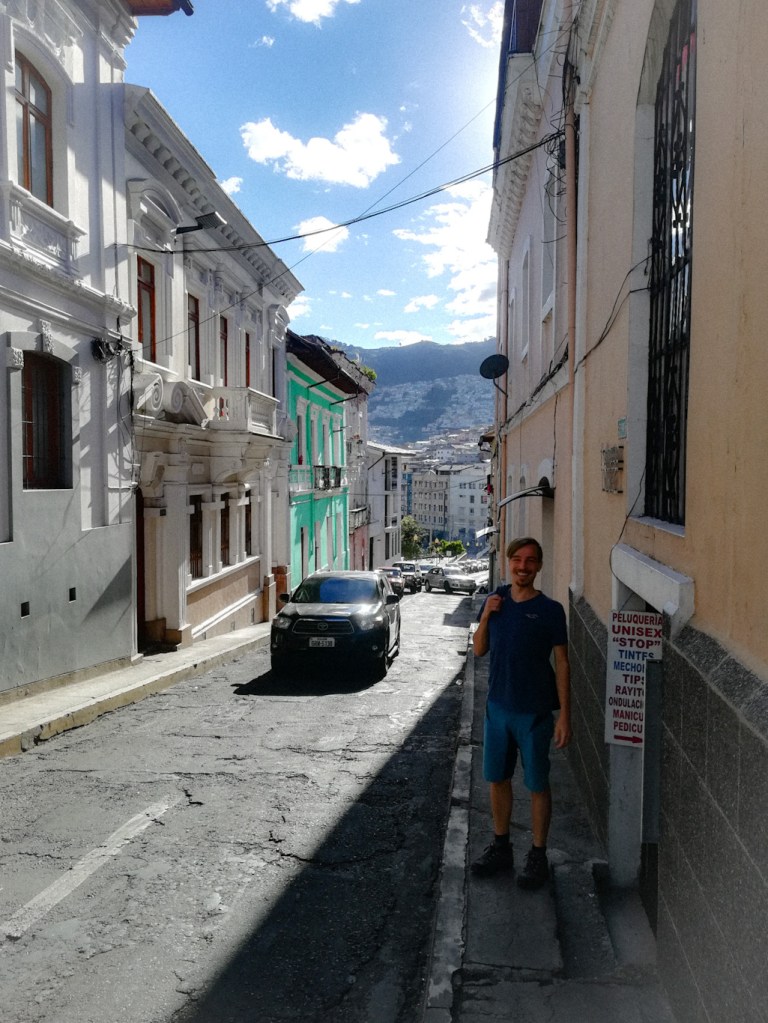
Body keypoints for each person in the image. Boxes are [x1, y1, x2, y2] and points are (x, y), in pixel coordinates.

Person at [471, 537, 571, 888]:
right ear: (509, 563)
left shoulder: (550, 610)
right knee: (497, 780)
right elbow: (479, 650)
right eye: (517, 559)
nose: (523, 567)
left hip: (534, 713)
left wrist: (566, 716)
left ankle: (538, 855)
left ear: (539, 566)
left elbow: (562, 662)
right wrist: (486, 615)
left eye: (530, 561)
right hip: (497, 708)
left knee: (537, 784)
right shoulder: (496, 600)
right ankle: (501, 847)